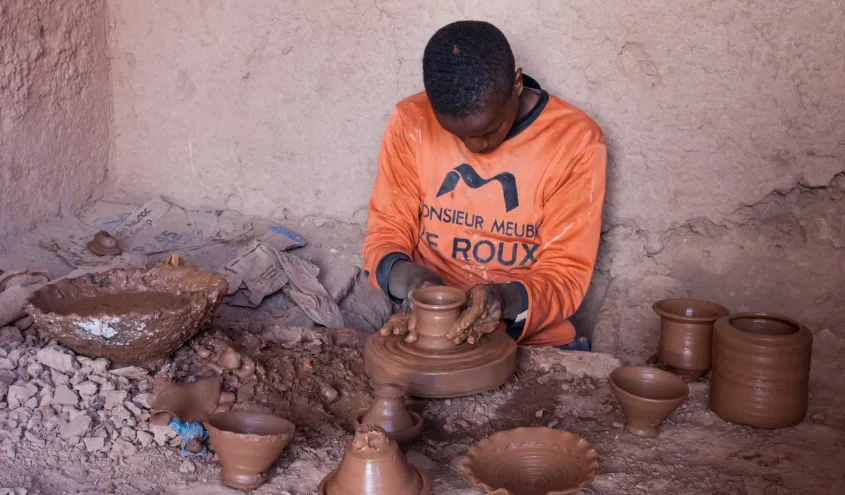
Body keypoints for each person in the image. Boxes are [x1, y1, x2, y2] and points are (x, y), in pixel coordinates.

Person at [362, 20, 606, 350]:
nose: (476, 148)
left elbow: (566, 276)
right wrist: (416, 283)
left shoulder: (574, 141)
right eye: (458, 136)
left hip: (525, 335)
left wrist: (500, 299)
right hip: (425, 323)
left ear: (516, 84)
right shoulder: (412, 120)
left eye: (489, 130)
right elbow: (385, 233)